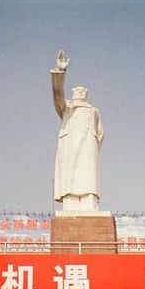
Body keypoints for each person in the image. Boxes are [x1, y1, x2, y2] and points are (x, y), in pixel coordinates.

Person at [50, 50, 104, 212]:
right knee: (70, 177)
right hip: (70, 145)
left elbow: (100, 133)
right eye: (77, 91)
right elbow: (57, 94)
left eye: (83, 91)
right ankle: (71, 203)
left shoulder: (94, 110)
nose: (80, 93)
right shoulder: (66, 107)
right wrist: (61, 71)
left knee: (88, 177)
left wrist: (93, 144)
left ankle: (89, 203)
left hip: (88, 146)